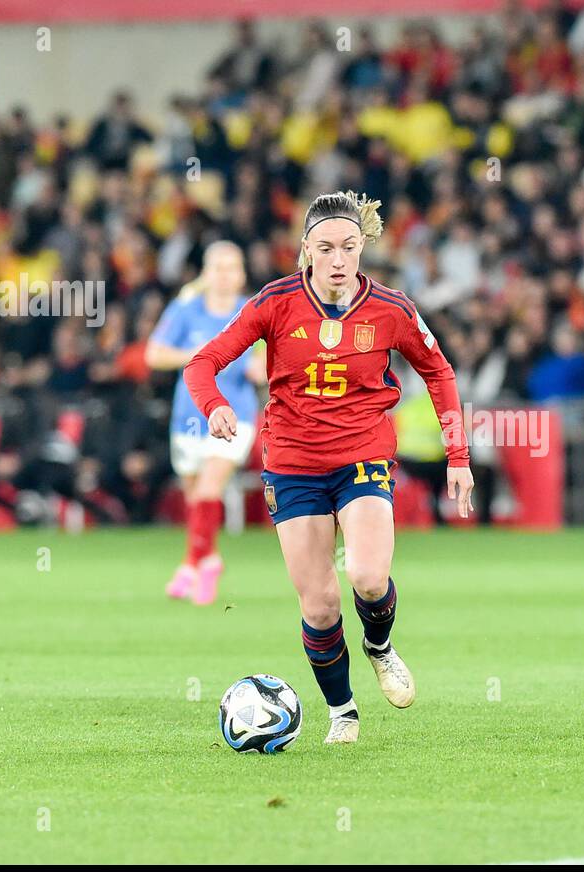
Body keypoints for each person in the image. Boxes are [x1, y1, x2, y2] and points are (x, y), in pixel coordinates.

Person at [184, 191, 474, 744]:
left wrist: (457, 456)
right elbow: (203, 364)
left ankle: (380, 647)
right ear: (306, 252)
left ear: (361, 247)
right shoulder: (275, 303)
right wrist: (216, 406)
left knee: (367, 577)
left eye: (348, 246)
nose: (338, 259)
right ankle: (343, 711)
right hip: (292, 464)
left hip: (363, 455)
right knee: (318, 603)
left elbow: (440, 373)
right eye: (325, 248)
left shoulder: (391, 309)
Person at [146, 241, 261, 605]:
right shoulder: (185, 310)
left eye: (232, 267)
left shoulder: (252, 311)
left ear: (241, 273)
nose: (225, 275)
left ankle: (188, 565)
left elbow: (265, 361)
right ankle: (208, 559)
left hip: (233, 415)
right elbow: (154, 354)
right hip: (189, 416)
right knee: (196, 497)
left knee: (210, 489)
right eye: (218, 267)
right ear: (206, 273)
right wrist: (196, 356)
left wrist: (263, 369)